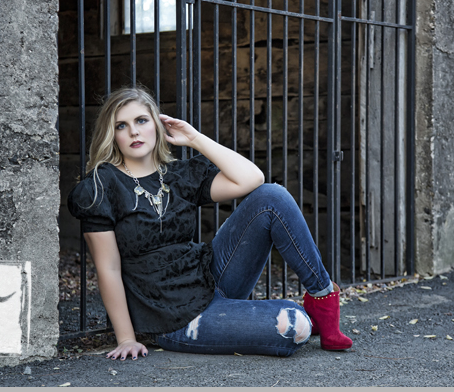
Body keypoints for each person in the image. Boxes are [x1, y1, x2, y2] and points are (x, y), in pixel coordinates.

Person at [68, 86, 352, 361]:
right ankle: (292, 315)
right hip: (170, 316)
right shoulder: (101, 187)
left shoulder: (179, 175)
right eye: (121, 125)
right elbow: (109, 268)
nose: (134, 131)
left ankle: (322, 297)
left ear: (157, 124)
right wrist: (126, 338)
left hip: (210, 280)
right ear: (112, 134)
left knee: (271, 196)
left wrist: (194, 138)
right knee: (294, 324)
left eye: (141, 120)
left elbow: (251, 178)